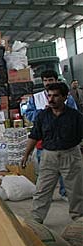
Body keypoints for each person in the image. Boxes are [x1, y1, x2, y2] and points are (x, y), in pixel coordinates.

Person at [21, 82, 83, 224]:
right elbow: (34, 136)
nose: (51, 99)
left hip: (70, 155)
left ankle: (79, 219)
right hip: (48, 156)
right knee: (42, 189)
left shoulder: (75, 116)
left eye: (55, 96)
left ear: (65, 97)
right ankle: (36, 220)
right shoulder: (42, 116)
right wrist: (26, 155)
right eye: (49, 95)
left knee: (75, 191)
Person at [24, 70, 77, 201]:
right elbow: (29, 114)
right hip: (45, 143)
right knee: (45, 173)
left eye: (51, 80)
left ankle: (66, 193)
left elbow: (75, 116)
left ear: (56, 80)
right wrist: (44, 113)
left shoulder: (67, 98)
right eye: (45, 81)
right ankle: (45, 197)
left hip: (65, 143)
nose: (48, 83)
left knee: (67, 173)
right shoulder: (36, 98)